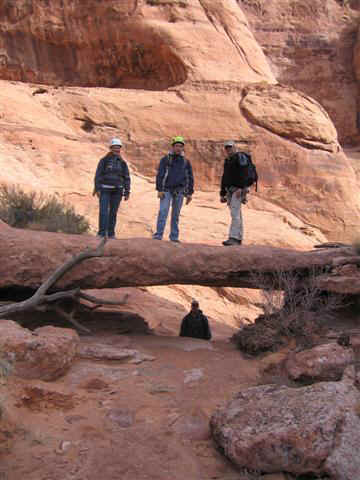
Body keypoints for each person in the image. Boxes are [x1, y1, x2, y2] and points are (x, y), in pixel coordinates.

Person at [153, 136, 194, 243]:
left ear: (183, 148)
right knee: (163, 212)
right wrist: (159, 189)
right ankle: (158, 235)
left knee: (175, 215)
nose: (178, 148)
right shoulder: (166, 159)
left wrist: (189, 193)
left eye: (180, 146)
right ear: (173, 146)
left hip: (179, 191)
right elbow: (160, 175)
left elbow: (190, 177)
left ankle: (174, 237)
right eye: (176, 146)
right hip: (166, 190)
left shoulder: (185, 162)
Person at [93, 138, 130, 239]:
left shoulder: (123, 163)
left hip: (117, 190)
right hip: (105, 189)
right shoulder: (104, 160)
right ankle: (101, 233)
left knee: (113, 213)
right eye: (114, 147)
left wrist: (127, 191)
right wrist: (97, 188)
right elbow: (98, 175)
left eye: (118, 148)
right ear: (111, 148)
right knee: (103, 211)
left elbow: (126, 177)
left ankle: (111, 234)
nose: (116, 149)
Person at [220, 140, 250, 246]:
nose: (229, 149)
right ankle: (238, 237)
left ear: (234, 147)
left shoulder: (239, 158)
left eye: (230, 147)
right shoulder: (228, 160)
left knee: (235, 213)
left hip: (237, 190)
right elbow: (225, 177)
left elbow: (244, 174)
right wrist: (222, 193)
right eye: (227, 148)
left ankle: (234, 238)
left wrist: (241, 188)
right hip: (230, 190)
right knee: (237, 213)